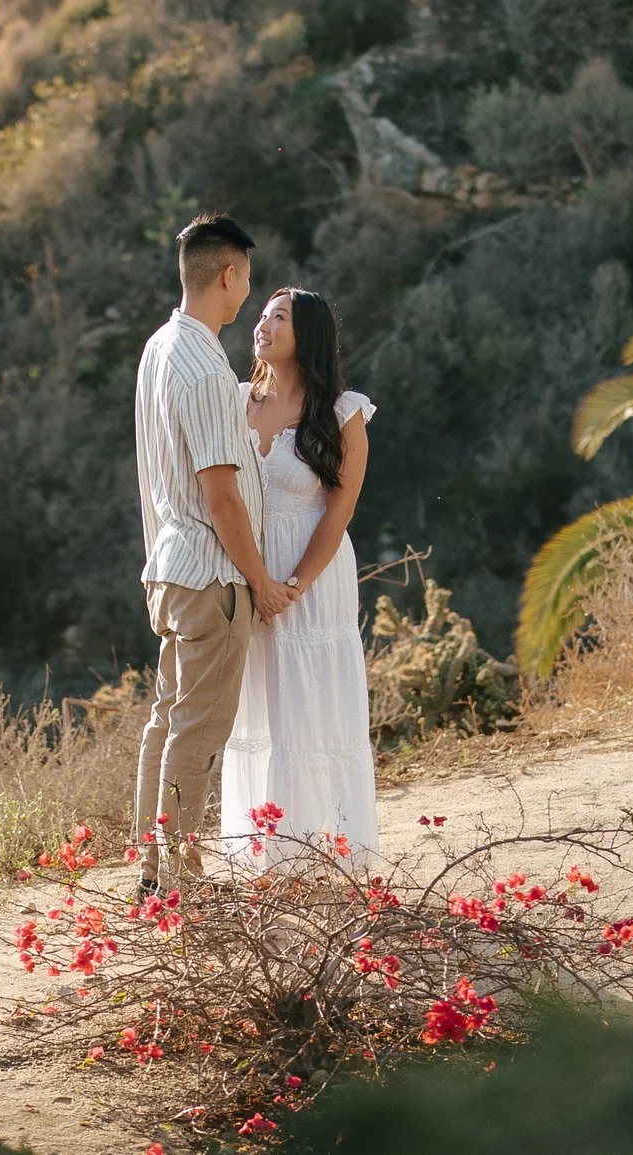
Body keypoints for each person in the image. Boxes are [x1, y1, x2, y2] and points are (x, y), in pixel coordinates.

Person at [130, 213, 293, 894]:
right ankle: (176, 886)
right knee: (195, 735)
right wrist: (259, 581)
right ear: (227, 274)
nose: (245, 294)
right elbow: (221, 496)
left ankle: (151, 873)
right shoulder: (203, 367)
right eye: (246, 279)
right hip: (210, 576)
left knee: (166, 723)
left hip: (170, 566)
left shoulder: (159, 348)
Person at [220, 287, 380, 869]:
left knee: (311, 710)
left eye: (278, 317)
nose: (262, 325)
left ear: (305, 333)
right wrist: (257, 581)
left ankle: (323, 857)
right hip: (248, 576)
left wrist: (293, 586)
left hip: (311, 581)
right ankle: (262, 857)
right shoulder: (236, 401)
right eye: (262, 315)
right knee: (258, 712)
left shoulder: (343, 412)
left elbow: (339, 512)